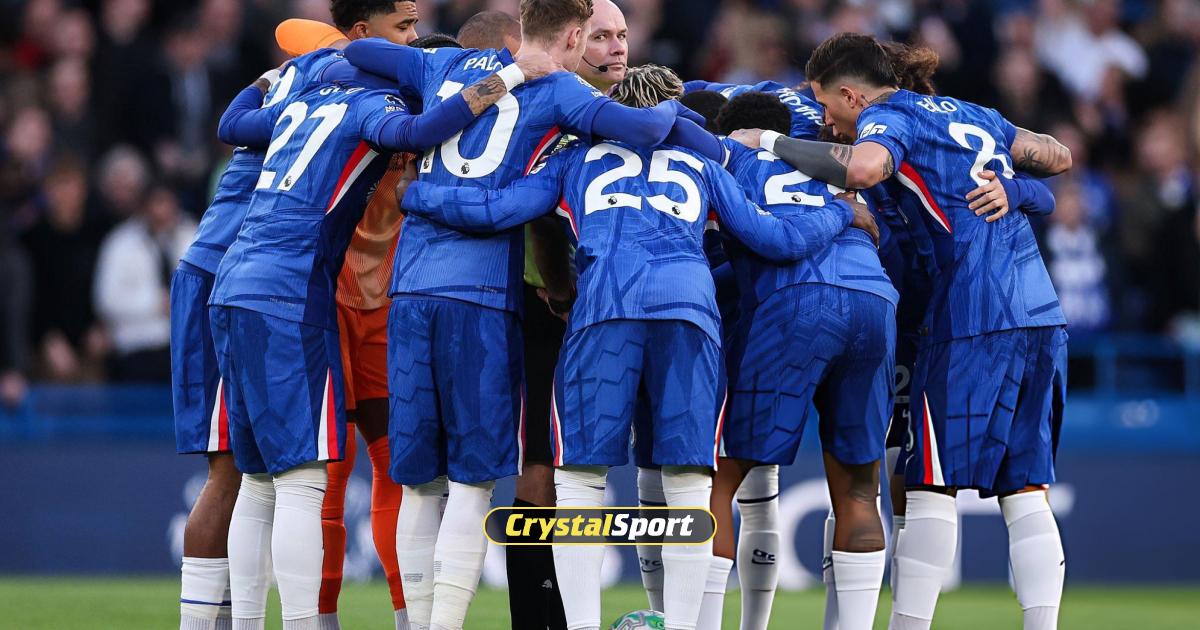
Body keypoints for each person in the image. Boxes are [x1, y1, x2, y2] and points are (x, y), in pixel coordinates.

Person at [394, 65, 873, 630]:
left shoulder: (572, 160)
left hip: (605, 309)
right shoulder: (702, 163)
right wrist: (841, 211)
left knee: (580, 479)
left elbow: (496, 211)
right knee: (689, 483)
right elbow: (777, 238)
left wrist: (416, 194)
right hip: (689, 313)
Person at [340, 1, 715, 626]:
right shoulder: (567, 95)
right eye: (600, 36)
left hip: (423, 288)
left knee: (429, 483)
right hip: (516, 297)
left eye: (622, 36)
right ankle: (540, 618)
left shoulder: (444, 67)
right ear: (573, 38)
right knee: (509, 474)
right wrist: (677, 112)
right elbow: (543, 203)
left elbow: (357, 50)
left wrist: (421, 193)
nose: (615, 48)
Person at [209, 41, 554, 630]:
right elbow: (422, 130)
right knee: (311, 483)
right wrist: (512, 76)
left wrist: (269, 78)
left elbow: (232, 124)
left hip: (253, 285)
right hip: (309, 295)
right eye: (404, 26)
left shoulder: (303, 100)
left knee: (273, 483)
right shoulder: (377, 109)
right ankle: (319, 621)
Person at [738, 33, 1071, 630]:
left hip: (971, 314)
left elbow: (864, 167)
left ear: (851, 95)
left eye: (828, 107)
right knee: (1026, 489)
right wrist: (1018, 187)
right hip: (1040, 310)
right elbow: (1056, 153)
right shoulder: (975, 113)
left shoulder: (888, 118)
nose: (829, 124)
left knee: (930, 488)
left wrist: (768, 141)